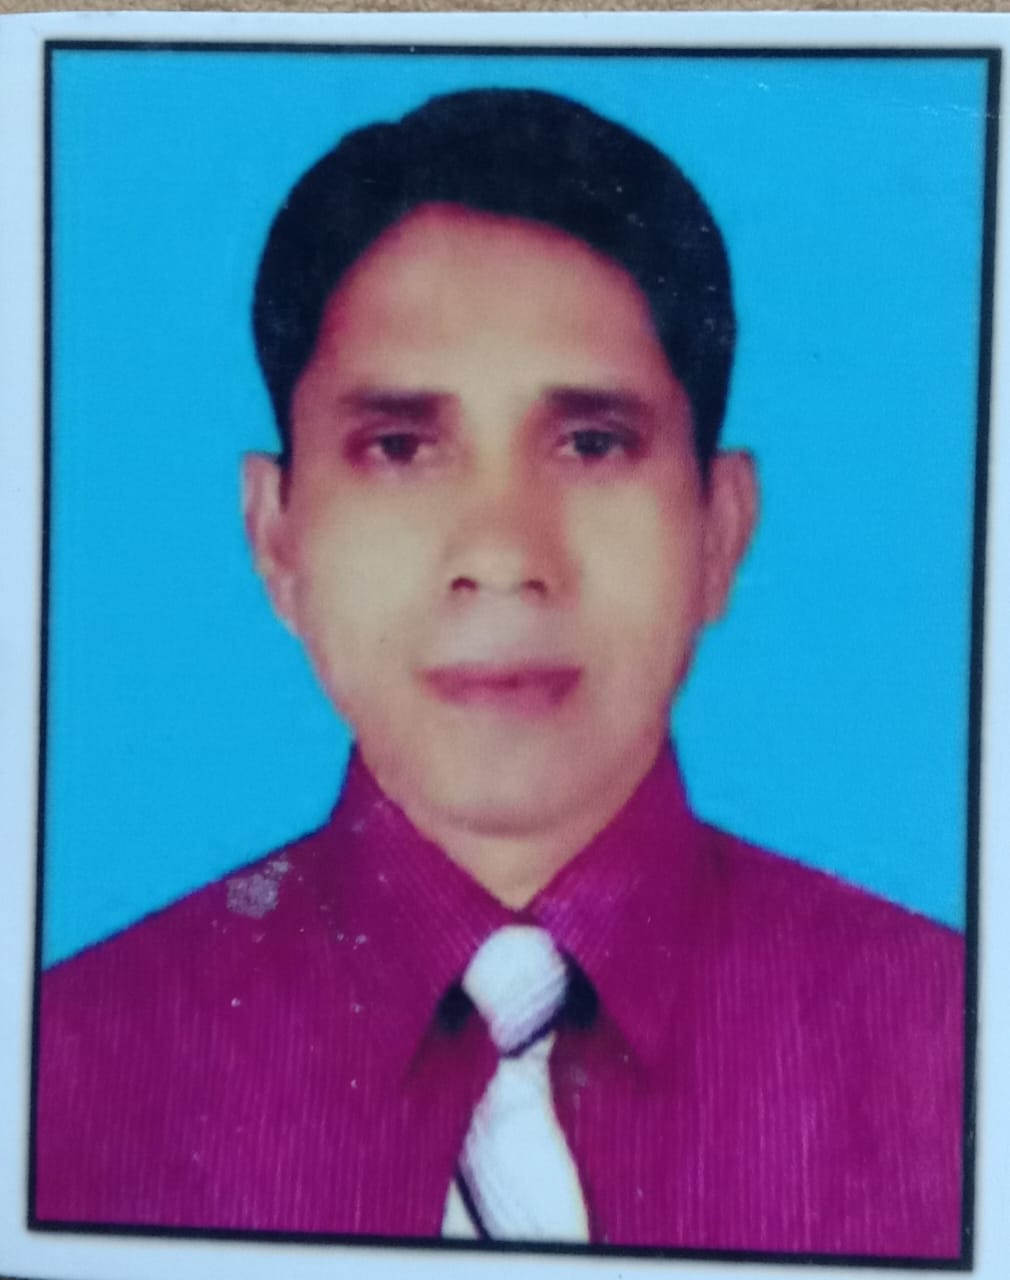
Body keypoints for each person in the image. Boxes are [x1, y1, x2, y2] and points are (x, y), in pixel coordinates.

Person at [34, 88, 964, 1257]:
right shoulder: (64, 1070)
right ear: (276, 537)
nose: (502, 554)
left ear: (719, 530)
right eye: (399, 446)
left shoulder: (953, 1046)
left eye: (590, 442)